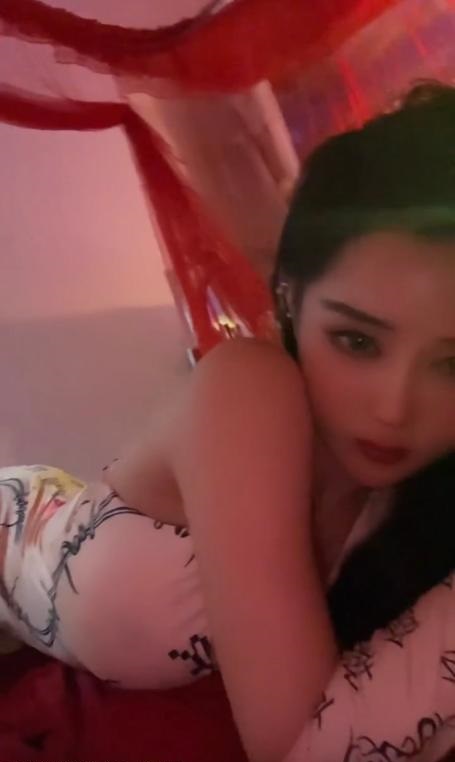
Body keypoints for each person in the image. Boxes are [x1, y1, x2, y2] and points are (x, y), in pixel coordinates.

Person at [1, 81, 455, 762]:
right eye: (357, 341)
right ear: (290, 298)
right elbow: (294, 746)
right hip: (24, 528)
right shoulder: (250, 387)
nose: (393, 409)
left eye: (451, 364)